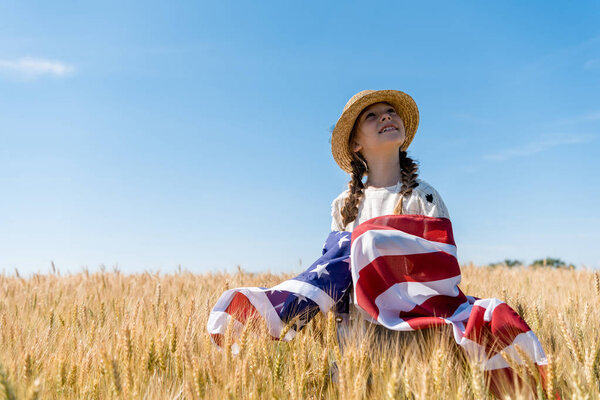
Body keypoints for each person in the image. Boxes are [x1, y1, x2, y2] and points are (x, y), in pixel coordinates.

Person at [329, 89, 449, 234]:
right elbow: (337, 256)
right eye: (371, 115)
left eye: (391, 111)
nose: (386, 116)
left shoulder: (424, 196)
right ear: (355, 143)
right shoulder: (343, 206)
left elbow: (441, 253)